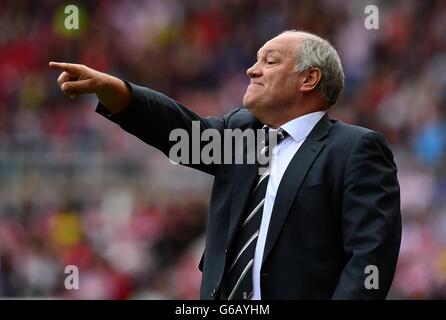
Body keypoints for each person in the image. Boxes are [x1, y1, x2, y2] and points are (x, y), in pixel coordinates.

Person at [49, 30, 402, 300]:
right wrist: (117, 91)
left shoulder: (355, 149)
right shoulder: (242, 135)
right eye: (256, 60)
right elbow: (179, 132)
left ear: (308, 79)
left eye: (270, 61)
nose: (253, 69)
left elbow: (369, 258)